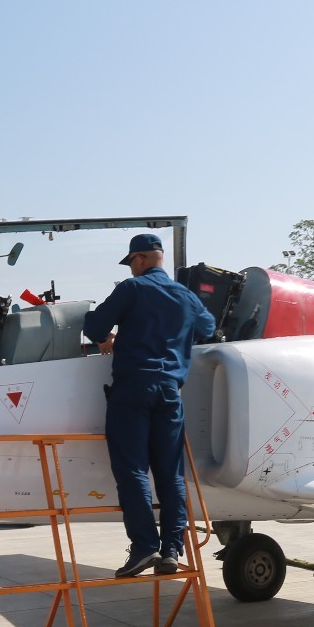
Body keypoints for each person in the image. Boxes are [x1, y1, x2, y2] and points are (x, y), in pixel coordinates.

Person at [82, 234, 218, 577]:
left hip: (133, 388)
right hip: (170, 393)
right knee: (171, 473)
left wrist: (104, 339)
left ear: (141, 258)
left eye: (131, 261)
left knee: (132, 470)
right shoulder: (186, 295)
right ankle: (172, 549)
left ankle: (144, 547)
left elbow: (95, 324)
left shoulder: (133, 288)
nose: (132, 268)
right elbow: (209, 327)